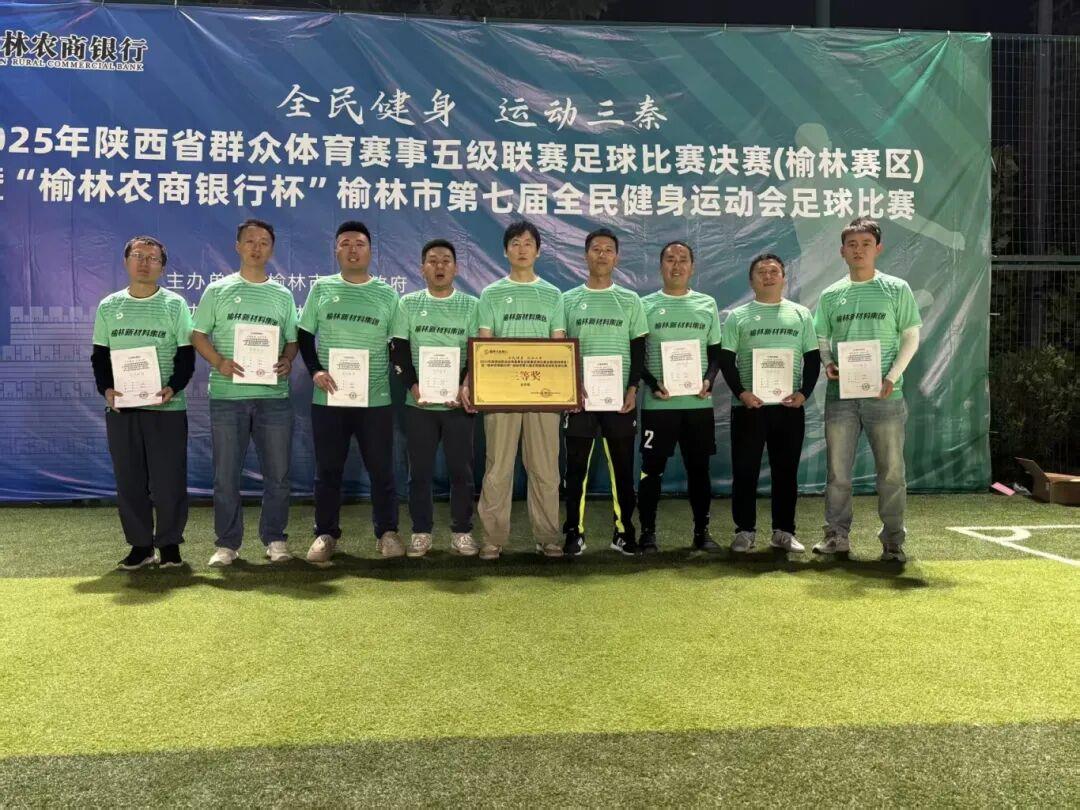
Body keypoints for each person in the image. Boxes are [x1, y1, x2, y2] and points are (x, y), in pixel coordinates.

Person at [813, 217, 922, 562]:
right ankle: (836, 535)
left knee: (892, 472)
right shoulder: (831, 295)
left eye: (865, 244)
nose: (858, 250)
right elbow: (821, 337)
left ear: (878, 248)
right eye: (852, 245)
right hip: (841, 398)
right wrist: (828, 363)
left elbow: (911, 336)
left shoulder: (897, 289)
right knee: (837, 473)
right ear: (842, 251)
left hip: (886, 396)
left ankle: (893, 540)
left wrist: (891, 376)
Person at [191, 219, 299, 567]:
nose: (256, 247)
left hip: (273, 398)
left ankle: (275, 539)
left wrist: (286, 359)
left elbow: (293, 340)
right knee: (225, 476)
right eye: (250, 241)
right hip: (228, 397)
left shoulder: (282, 295)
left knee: (278, 475)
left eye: (264, 242)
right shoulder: (217, 290)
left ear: (272, 249)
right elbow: (198, 335)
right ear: (238, 246)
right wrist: (219, 362)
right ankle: (227, 544)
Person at [297, 221, 401, 562]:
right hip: (329, 398)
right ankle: (325, 534)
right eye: (345, 243)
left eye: (359, 243)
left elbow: (398, 344)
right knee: (328, 470)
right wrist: (316, 369)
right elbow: (304, 335)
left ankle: (387, 532)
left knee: (381, 469)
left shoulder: (387, 294)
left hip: (376, 399)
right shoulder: (322, 289)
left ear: (370, 251)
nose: (353, 249)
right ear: (336, 250)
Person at [462, 220, 566, 560]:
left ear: (538, 250)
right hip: (500, 396)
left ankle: (548, 537)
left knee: (546, 469)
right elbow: (484, 345)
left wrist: (564, 389)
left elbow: (558, 346)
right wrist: (473, 384)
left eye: (528, 243)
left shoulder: (553, 295)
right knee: (498, 468)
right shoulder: (491, 294)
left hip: (544, 397)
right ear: (505, 251)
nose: (522, 249)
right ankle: (493, 538)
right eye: (515, 243)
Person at [91, 236, 195, 570]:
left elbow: (186, 356)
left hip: (166, 409)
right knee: (129, 481)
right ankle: (140, 545)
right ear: (126, 261)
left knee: (169, 482)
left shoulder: (175, 305)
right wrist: (106, 389)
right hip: (123, 409)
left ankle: (169, 545)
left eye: (152, 258)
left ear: (162, 267)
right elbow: (100, 356)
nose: (144, 262)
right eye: (138, 255)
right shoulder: (109, 306)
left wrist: (173, 387)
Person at [719, 253, 820, 554]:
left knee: (786, 472)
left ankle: (784, 532)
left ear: (784, 278)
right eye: (761, 272)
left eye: (774, 271)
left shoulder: (801, 314)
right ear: (751, 281)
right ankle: (744, 531)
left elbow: (812, 358)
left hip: (788, 407)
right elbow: (726, 359)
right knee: (745, 471)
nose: (768, 276)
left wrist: (803, 393)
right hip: (750, 407)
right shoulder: (738, 317)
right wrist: (742, 393)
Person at [388, 239, 479, 557]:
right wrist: (413, 386)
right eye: (432, 260)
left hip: (458, 404)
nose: (439, 266)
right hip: (420, 405)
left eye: (445, 260)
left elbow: (476, 352)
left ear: (456, 268)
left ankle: (462, 531)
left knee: (461, 472)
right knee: (420, 473)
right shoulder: (407, 304)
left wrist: (465, 385)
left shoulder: (471, 305)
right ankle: (421, 532)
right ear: (422, 268)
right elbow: (398, 350)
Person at [561, 228, 648, 556]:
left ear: (617, 257)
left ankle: (624, 532)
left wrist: (632, 388)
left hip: (619, 401)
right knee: (576, 471)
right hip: (579, 400)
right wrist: (572, 386)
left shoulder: (630, 300)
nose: (602, 254)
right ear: (585, 255)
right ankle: (574, 532)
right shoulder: (568, 300)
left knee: (623, 470)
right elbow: (560, 349)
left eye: (608, 249)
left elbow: (638, 349)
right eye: (596, 249)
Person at [637, 241, 723, 553]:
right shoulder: (644, 305)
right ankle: (648, 533)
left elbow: (716, 352)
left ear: (692, 266)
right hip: (658, 405)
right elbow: (637, 354)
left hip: (697, 404)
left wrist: (708, 380)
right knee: (651, 470)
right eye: (670, 259)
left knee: (699, 470)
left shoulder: (707, 304)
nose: (676, 265)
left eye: (683, 259)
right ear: (661, 266)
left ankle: (702, 532)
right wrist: (652, 383)